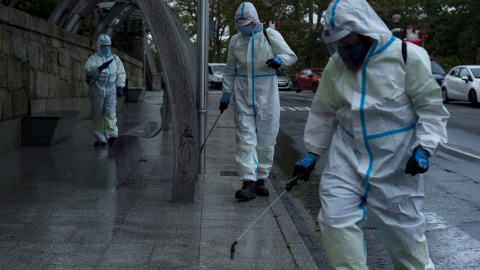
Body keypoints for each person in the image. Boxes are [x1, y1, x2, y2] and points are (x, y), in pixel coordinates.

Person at [292, 0, 449, 269]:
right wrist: (313, 151)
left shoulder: (406, 56)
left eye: (346, 41)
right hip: (347, 155)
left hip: (394, 158)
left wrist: (425, 147)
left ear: (364, 31)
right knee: (334, 220)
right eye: (336, 44)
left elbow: (431, 107)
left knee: (406, 240)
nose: (342, 49)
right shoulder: (336, 63)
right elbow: (324, 110)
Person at [221, 2, 297, 200]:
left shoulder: (269, 36)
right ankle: (247, 181)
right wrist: (226, 93)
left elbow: (290, 56)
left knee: (267, 137)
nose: (241, 27)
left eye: (245, 23)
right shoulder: (235, 41)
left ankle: (261, 179)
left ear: (254, 22)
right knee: (245, 137)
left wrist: (279, 60)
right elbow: (230, 70)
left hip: (267, 93)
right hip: (243, 92)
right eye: (239, 23)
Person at [84, 34, 126, 148]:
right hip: (97, 89)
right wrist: (97, 68)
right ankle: (100, 139)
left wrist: (120, 86)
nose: (106, 48)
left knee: (110, 112)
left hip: (111, 89)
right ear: (99, 46)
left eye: (108, 46)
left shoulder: (115, 59)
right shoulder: (94, 58)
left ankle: (112, 136)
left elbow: (121, 73)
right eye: (104, 46)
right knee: (98, 113)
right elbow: (88, 69)